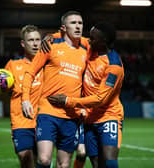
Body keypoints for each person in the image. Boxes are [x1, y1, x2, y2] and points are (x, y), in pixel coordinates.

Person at [47, 22, 124, 168]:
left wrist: (68, 101)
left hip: (108, 116)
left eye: (93, 38)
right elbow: (71, 37)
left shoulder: (114, 66)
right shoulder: (91, 49)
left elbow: (100, 99)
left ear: (104, 41)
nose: (89, 40)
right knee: (96, 163)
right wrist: (52, 36)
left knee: (109, 161)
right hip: (89, 119)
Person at [21, 11, 90, 168]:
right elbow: (30, 72)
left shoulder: (86, 52)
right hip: (48, 112)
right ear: (64, 28)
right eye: (73, 23)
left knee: (63, 164)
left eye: (80, 23)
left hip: (71, 115)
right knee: (44, 159)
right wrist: (25, 99)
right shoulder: (50, 46)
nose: (78, 26)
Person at [0, 25, 43, 168]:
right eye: (31, 40)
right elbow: (0, 89)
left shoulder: (49, 65)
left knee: (41, 161)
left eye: (37, 40)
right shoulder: (12, 66)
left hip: (44, 121)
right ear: (23, 44)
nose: (35, 43)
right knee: (26, 158)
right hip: (21, 122)